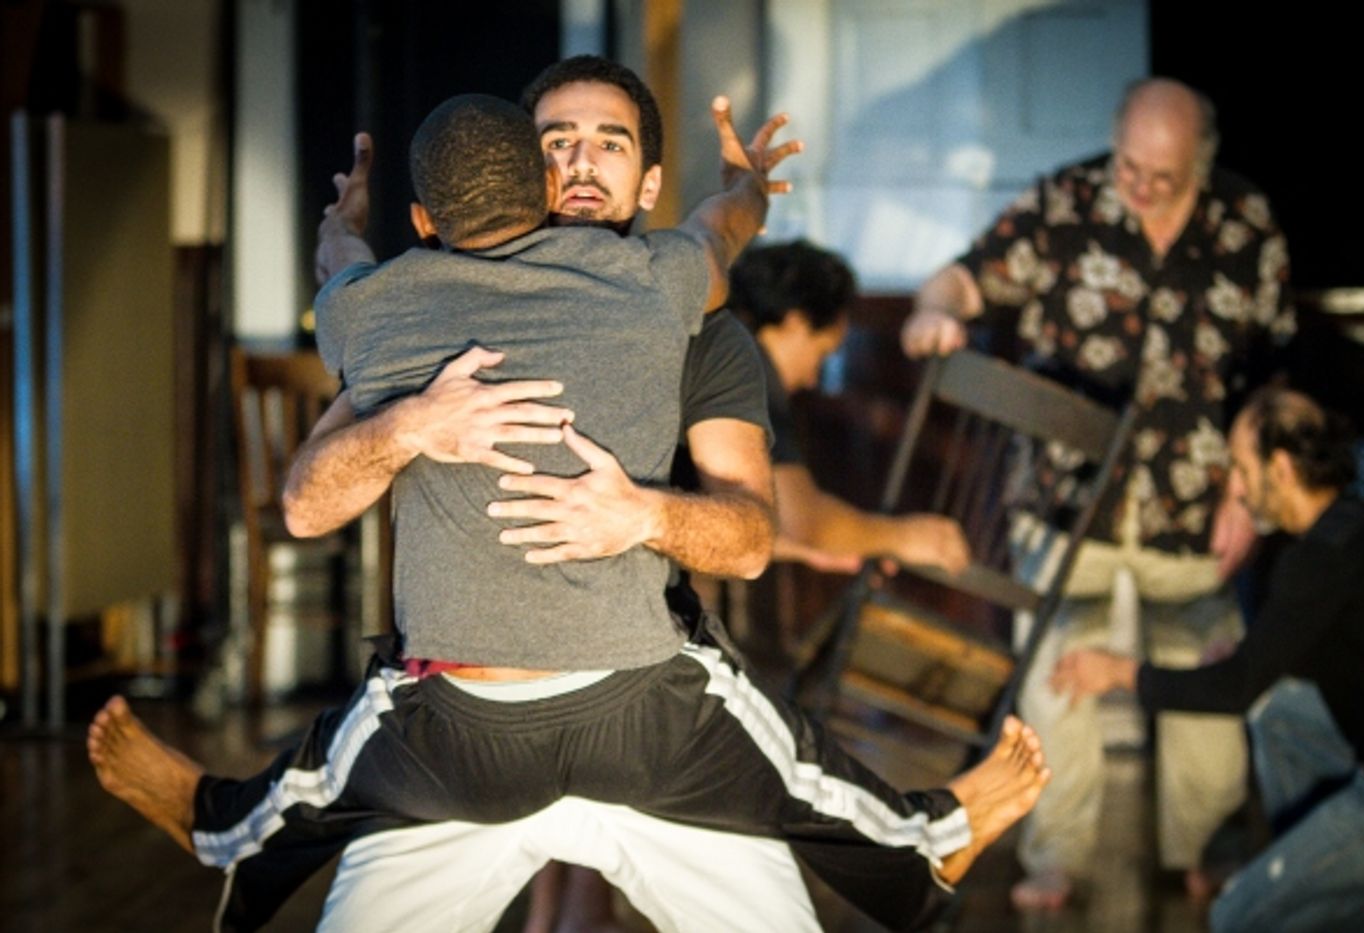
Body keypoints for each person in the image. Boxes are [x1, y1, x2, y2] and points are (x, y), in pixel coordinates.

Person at [89, 60, 1050, 933]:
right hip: (480, 724)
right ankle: (922, 839)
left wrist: (645, 512)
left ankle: (227, 825)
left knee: (353, 753)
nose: (582, 164)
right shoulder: (508, 297)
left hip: (631, 710)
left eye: (611, 143)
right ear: (525, 173)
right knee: (768, 759)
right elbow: (307, 499)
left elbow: (756, 537)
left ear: (647, 185)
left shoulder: (665, 317)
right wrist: (413, 423)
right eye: (556, 145)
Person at [901, 76, 1295, 910]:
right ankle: (1056, 857)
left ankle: (1202, 848)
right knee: (1055, 690)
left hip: (1196, 508)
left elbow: (1275, 372)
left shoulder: (1246, 222)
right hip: (1063, 500)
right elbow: (962, 281)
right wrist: (935, 313)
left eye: (1165, 174)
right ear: (1114, 141)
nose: (1141, 186)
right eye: (1129, 165)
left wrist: (1251, 492)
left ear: (1201, 160)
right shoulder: (1065, 202)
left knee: (1206, 698)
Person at [1051, 387, 1364, 931]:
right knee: (1279, 707)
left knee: (1236, 915)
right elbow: (1338, 654)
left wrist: (1116, 672)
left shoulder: (1316, 561)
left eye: (1240, 468)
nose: (1233, 487)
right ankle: (1317, 870)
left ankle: (1322, 883)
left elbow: (1232, 690)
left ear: (1279, 469)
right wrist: (1251, 657)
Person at [730, 239, 970, 576]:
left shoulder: (727, 349)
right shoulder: (750, 375)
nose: (813, 379)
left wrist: (801, 550)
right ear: (796, 322)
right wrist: (906, 537)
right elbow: (805, 520)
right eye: (823, 353)